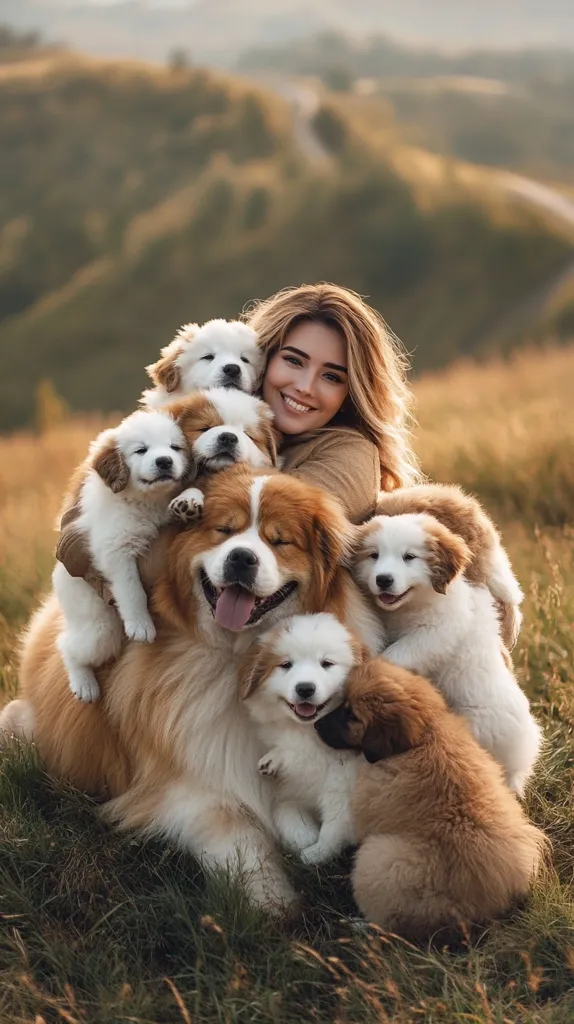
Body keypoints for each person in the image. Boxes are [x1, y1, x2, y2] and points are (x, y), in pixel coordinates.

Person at [56, 283, 420, 592]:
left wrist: (117, 553)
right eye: (293, 361)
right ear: (263, 359)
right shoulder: (193, 416)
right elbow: (72, 538)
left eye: (332, 377)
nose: (305, 387)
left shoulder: (349, 455)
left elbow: (181, 562)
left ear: (352, 391)